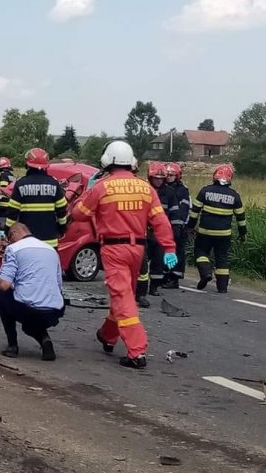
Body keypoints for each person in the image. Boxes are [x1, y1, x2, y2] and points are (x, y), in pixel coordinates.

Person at [71, 141, 177, 369]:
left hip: (113, 249)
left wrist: (87, 192)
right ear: (132, 163)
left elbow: (78, 214)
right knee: (124, 294)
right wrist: (169, 248)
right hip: (137, 250)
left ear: (107, 161)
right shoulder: (146, 188)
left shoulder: (102, 187)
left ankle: (137, 352)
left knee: (122, 298)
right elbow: (160, 221)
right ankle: (108, 336)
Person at [0, 223, 65, 361]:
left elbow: (4, 284)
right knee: (30, 324)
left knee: (2, 297)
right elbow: (58, 284)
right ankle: (45, 340)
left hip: (28, 310)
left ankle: (12, 346)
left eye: (10, 237)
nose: (9, 241)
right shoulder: (51, 250)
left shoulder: (13, 249)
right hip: (55, 310)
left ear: (14, 233)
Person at [187, 164, 246, 293]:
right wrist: (243, 235)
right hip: (224, 234)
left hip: (205, 231)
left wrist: (190, 227)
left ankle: (206, 272)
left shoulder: (205, 191)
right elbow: (241, 219)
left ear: (215, 176)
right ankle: (222, 288)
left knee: (200, 252)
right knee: (222, 258)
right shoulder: (234, 196)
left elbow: (194, 212)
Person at [5, 148, 68, 247]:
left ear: (27, 164)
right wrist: (62, 228)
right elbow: (62, 210)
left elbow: (12, 212)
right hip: (49, 243)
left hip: (27, 243)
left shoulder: (21, 184)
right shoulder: (54, 183)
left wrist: (7, 230)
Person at [137, 162, 179, 300]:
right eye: (156, 178)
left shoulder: (170, 193)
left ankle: (154, 287)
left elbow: (174, 213)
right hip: (143, 231)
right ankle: (138, 288)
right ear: (150, 177)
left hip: (160, 233)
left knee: (158, 261)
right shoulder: (144, 190)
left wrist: (175, 230)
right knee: (141, 262)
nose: (159, 180)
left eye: (162, 178)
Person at [162, 163, 190, 288]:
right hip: (164, 225)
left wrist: (179, 224)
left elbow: (184, 208)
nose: (168, 177)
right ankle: (164, 275)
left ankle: (174, 278)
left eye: (171, 175)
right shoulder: (162, 189)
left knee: (177, 252)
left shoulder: (182, 190)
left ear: (177, 176)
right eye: (166, 175)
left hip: (177, 226)